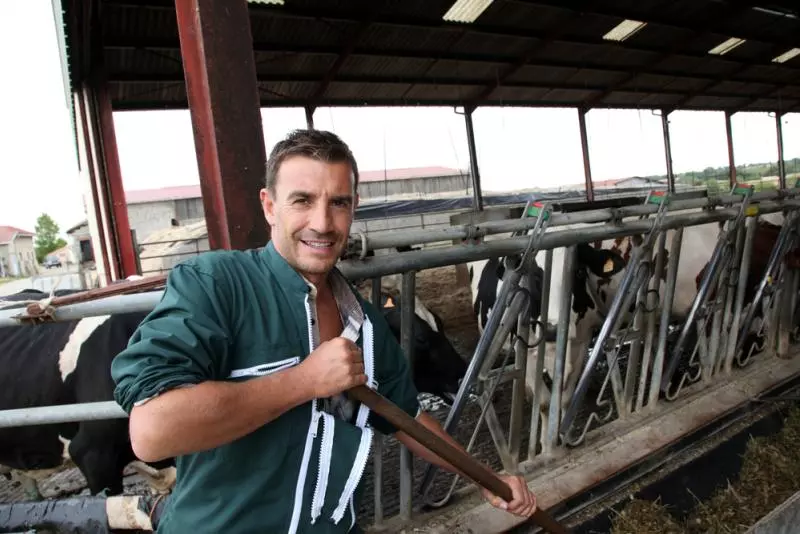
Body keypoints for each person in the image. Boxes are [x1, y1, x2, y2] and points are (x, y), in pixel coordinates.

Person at [111, 129, 537, 533]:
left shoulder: (365, 322)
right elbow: (152, 431)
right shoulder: (217, 285)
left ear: (354, 208)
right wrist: (304, 381)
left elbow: (407, 418)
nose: (323, 223)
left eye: (338, 203)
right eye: (302, 200)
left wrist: (485, 478)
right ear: (269, 206)